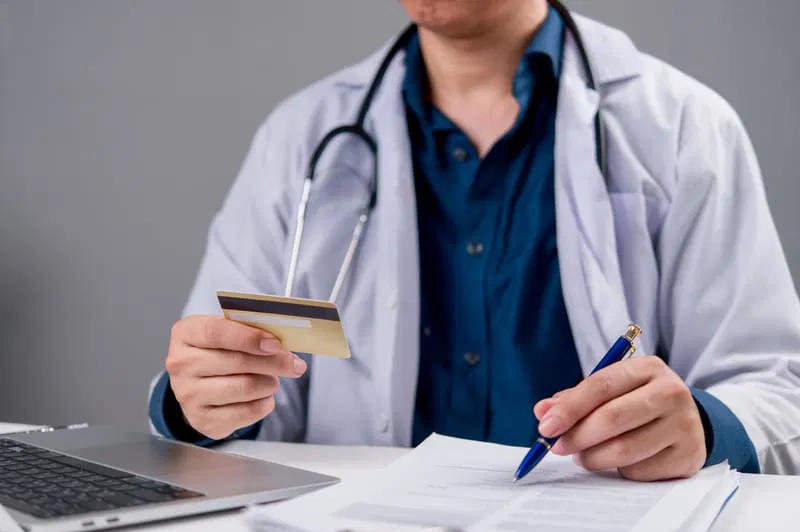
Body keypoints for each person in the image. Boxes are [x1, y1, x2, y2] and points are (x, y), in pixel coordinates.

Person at [148, 0, 800, 480]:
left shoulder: (681, 125)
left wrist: (703, 427)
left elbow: (776, 388)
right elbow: (237, 390)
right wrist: (199, 402)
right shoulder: (301, 136)